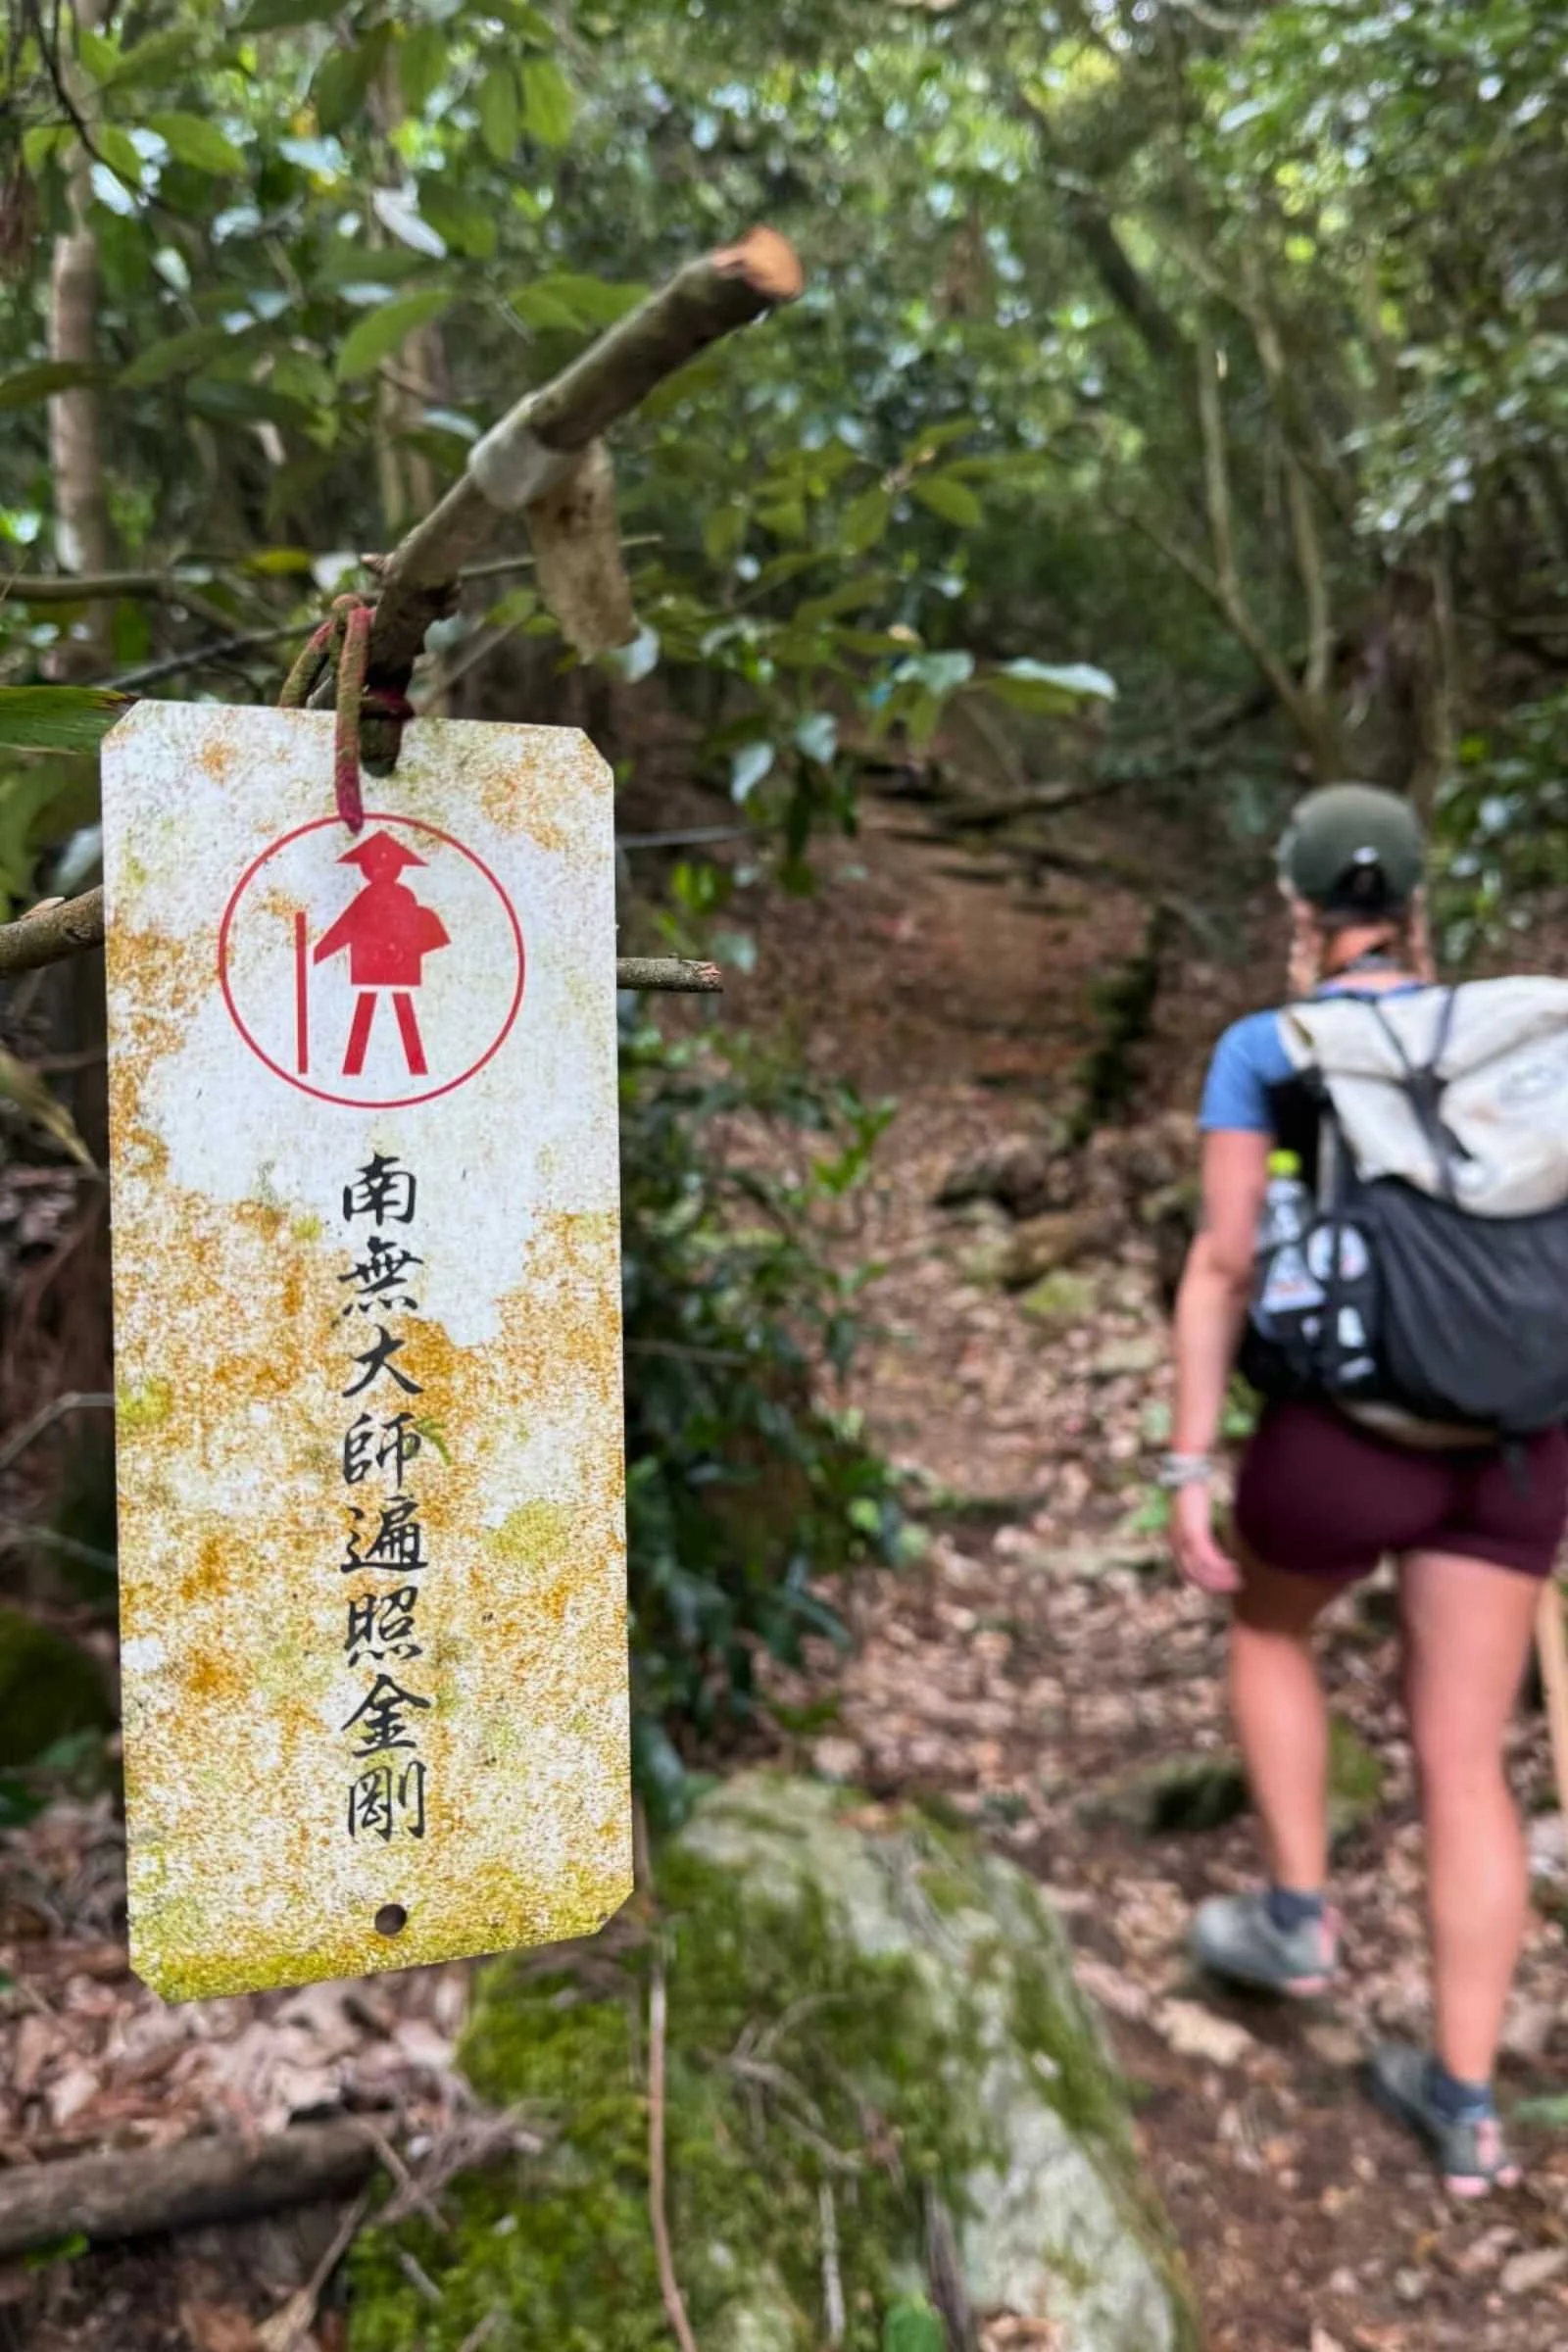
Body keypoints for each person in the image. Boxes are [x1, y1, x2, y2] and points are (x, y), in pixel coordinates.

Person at [1167, 781, 1568, 2197]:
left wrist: (1190, 1460)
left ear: (1299, 906)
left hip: (1344, 1442)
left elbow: (1224, 1261)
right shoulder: (1525, 1036)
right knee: (1466, 1758)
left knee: (1271, 1627)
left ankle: (1297, 1918)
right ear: (1412, 904)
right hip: (1516, 1454)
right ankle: (1465, 2110)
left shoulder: (1268, 1049)